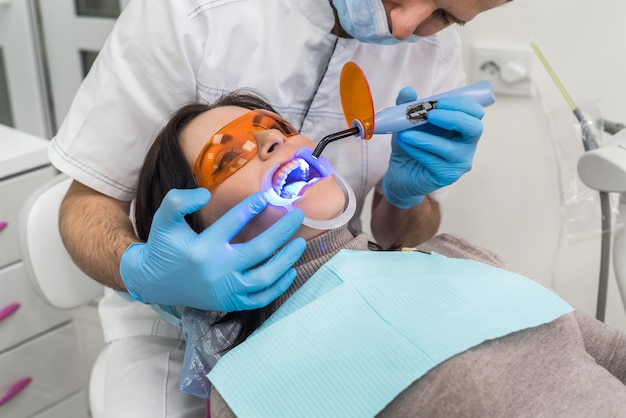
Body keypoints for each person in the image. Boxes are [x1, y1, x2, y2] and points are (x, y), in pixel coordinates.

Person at [49, 0, 513, 416]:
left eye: (444, 15)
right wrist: (145, 273)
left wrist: (405, 195)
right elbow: (87, 201)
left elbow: (402, 235)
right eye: (228, 156)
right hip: (176, 331)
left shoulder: (436, 55)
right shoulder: (187, 13)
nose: (406, 24)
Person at [134, 91, 626, 417]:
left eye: (274, 126)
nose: (273, 140)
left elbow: (612, 355)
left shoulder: (451, 254)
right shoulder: (243, 389)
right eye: (228, 156)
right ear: (193, 231)